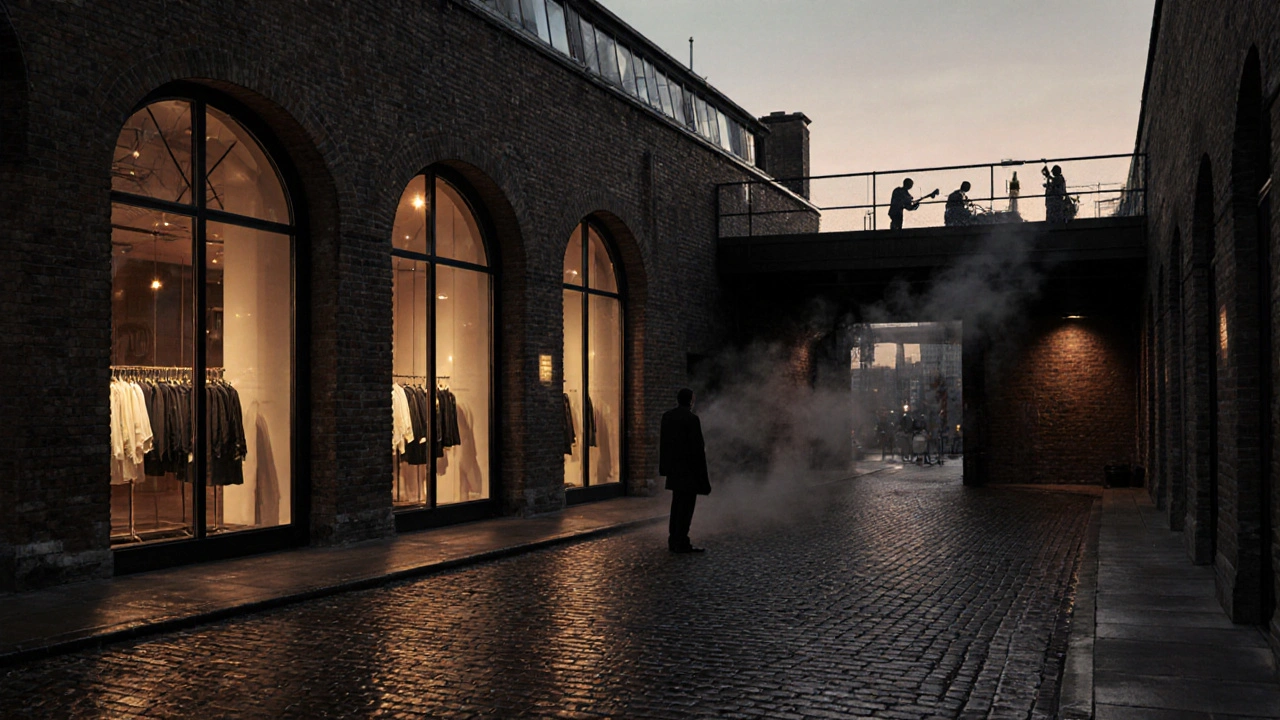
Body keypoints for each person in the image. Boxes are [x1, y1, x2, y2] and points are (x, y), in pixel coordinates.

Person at [659, 388, 711, 553]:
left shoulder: (667, 417)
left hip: (674, 470)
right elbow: (698, 449)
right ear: (690, 401)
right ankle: (682, 541)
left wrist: (665, 468)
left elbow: (664, 445)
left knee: (676, 506)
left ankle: (673, 539)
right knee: (686, 509)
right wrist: (703, 477)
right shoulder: (692, 419)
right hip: (689, 471)